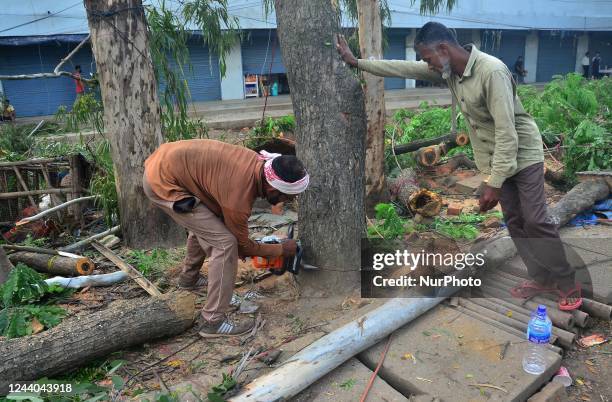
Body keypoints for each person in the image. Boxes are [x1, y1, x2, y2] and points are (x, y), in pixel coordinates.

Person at [336, 21, 582, 310]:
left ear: (443, 49)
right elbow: (403, 68)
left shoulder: (492, 72)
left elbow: (508, 133)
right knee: (515, 220)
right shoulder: (450, 69)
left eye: (427, 57)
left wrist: (494, 182)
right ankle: (541, 278)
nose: (425, 64)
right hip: (494, 158)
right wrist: (357, 62)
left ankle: (567, 284)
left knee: (536, 220)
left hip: (523, 154)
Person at [143, 139, 310, 337]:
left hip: (167, 163)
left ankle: (189, 279)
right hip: (164, 182)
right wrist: (281, 250)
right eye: (287, 197)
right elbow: (242, 247)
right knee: (224, 243)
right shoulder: (238, 198)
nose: (288, 201)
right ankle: (212, 321)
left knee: (210, 225)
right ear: (273, 188)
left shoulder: (257, 164)